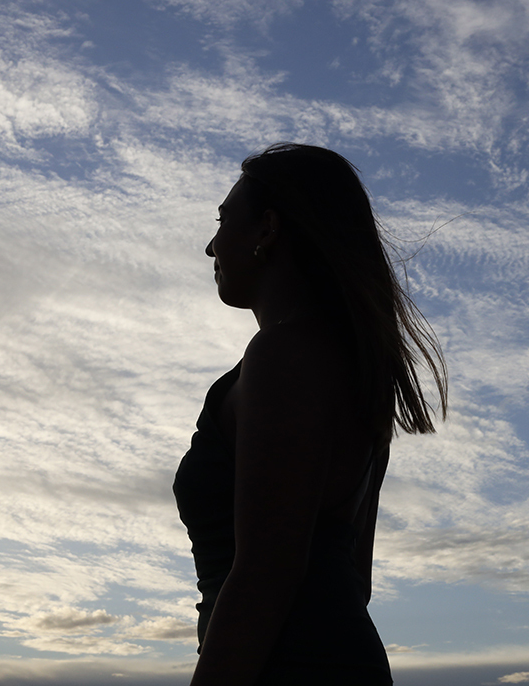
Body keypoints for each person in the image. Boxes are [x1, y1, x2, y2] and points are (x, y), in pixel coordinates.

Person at [173, 143, 447, 686]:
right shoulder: (353, 367)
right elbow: (355, 577)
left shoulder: (284, 357)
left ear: (267, 230)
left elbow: (264, 574)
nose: (210, 246)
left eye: (224, 221)